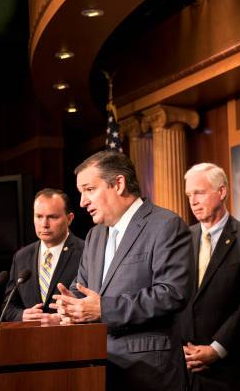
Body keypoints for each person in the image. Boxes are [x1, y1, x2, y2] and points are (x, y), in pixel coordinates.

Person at [50, 151, 192, 391]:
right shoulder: (95, 236)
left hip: (148, 372)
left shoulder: (166, 225)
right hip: (99, 367)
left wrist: (103, 309)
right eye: (81, 192)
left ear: (118, 184)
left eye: (89, 189)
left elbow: (171, 293)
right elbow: (82, 289)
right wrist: (71, 306)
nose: (83, 201)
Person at [181, 163, 240, 391]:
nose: (193, 201)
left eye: (199, 192)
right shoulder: (181, 239)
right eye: (189, 194)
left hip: (232, 369)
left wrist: (216, 348)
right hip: (188, 369)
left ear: (221, 192)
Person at [3, 188, 83, 324]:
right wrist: (22, 315)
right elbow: (8, 307)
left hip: (72, 338)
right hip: (31, 340)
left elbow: (93, 304)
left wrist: (62, 318)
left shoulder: (86, 252)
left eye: (52, 217)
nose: (44, 224)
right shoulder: (21, 256)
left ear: (69, 219)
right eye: (39, 216)